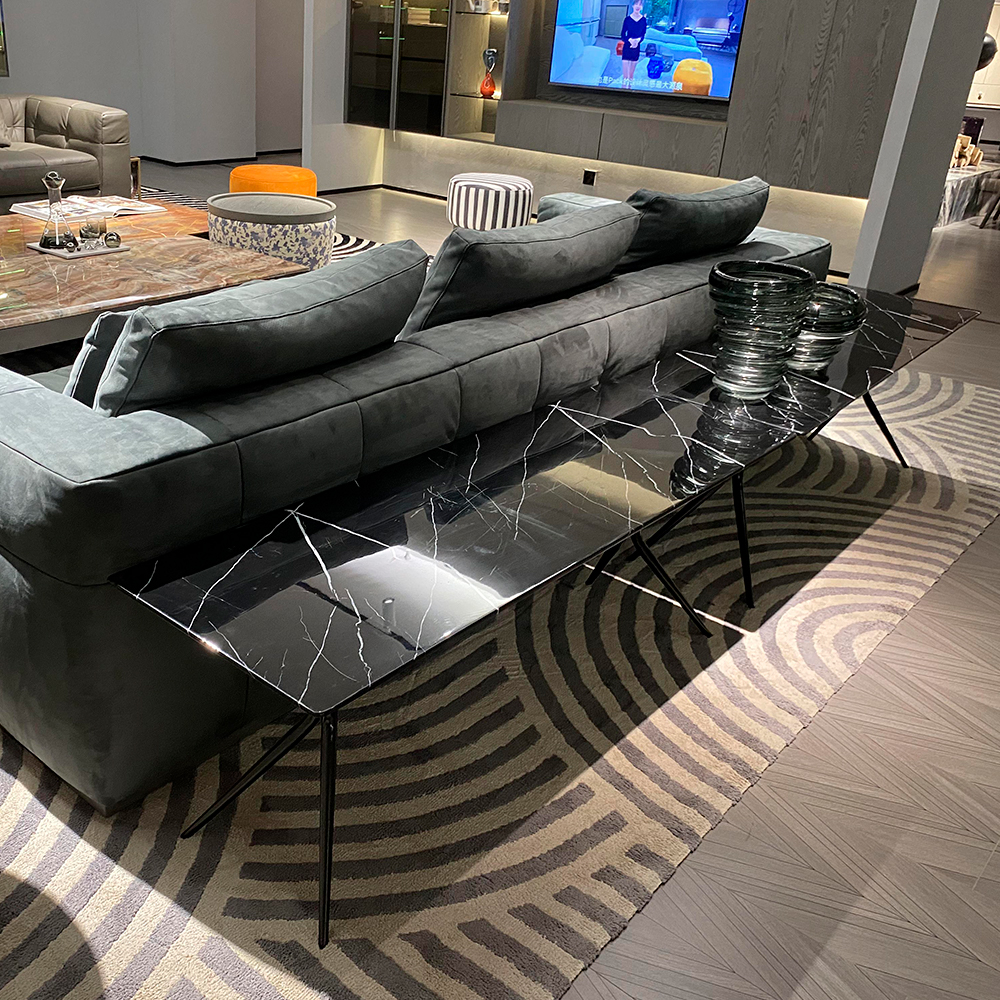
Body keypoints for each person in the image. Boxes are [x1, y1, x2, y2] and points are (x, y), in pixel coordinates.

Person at [619, 0, 647, 89]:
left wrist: (638, 40)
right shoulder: (627, 19)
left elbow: (643, 35)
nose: (638, 6)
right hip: (627, 47)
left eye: (640, 4)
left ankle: (629, 91)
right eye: (636, 4)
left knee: (631, 76)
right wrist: (630, 40)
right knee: (625, 76)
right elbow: (622, 35)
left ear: (642, 7)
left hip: (636, 48)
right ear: (633, 6)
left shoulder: (643, 20)